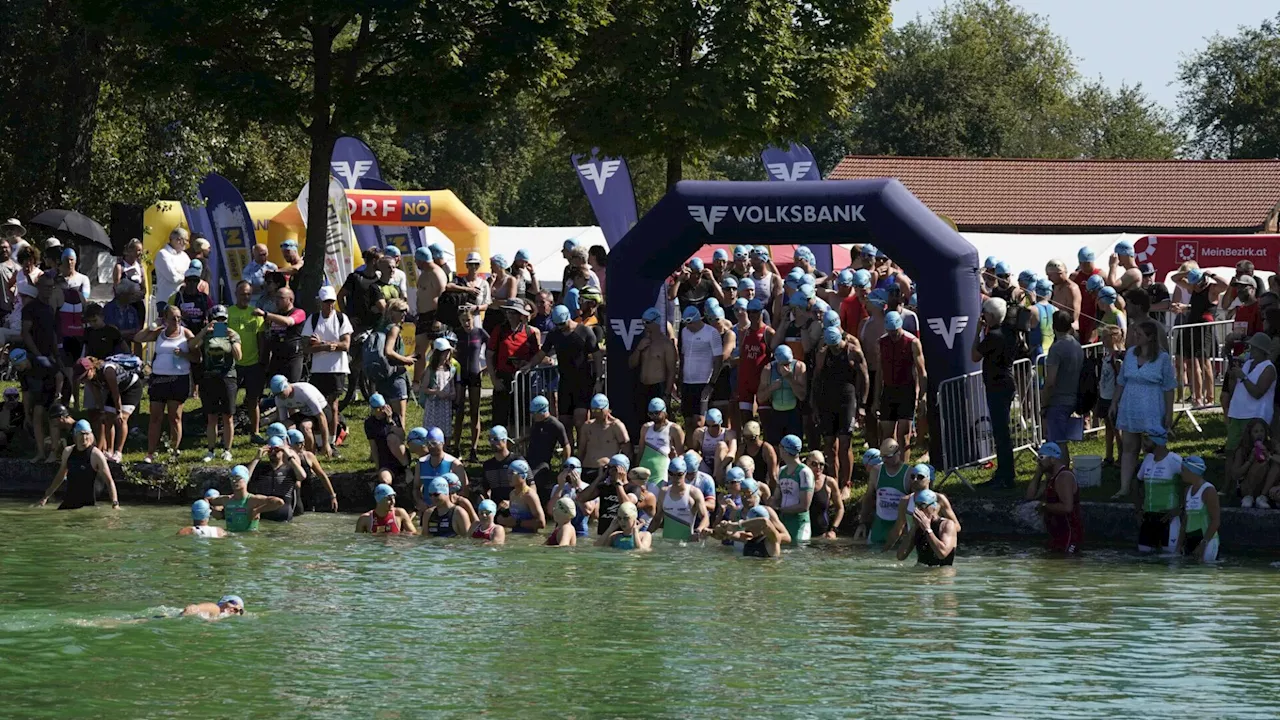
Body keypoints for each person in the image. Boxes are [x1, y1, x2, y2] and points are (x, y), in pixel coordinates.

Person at [1112, 320, 1177, 500]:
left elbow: (1169, 387)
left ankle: (1155, 484)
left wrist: (1169, 413)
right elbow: (1121, 380)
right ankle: (1124, 487)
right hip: (1130, 405)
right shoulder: (1131, 354)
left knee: (1154, 446)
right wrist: (1114, 402)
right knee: (1128, 447)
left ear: (1150, 338)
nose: (1135, 337)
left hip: (1152, 405)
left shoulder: (1162, 359)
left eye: (1139, 334)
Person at [528, 304, 599, 445]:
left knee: (580, 422)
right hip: (565, 383)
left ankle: (582, 456)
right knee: (565, 423)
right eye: (557, 325)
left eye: (562, 324)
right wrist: (529, 365)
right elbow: (542, 353)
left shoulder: (584, 331)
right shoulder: (555, 334)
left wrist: (598, 378)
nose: (560, 327)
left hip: (583, 383)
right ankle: (570, 457)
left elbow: (596, 355)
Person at [136, 305, 197, 464]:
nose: (176, 321)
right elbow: (138, 338)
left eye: (178, 317)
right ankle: (150, 452)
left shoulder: (186, 333)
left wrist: (183, 354)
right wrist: (153, 325)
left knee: (175, 417)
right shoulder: (160, 333)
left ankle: (174, 451)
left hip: (178, 379)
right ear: (165, 319)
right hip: (158, 379)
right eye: (172, 318)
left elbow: (197, 357)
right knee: (155, 417)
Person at [971, 297, 1017, 487]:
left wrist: (976, 332)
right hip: (1006, 383)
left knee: (1001, 433)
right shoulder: (1009, 331)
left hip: (997, 386)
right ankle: (1005, 473)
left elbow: (974, 355)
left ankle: (1005, 475)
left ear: (990, 315)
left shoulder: (994, 336)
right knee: (1002, 431)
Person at [814, 325, 866, 489]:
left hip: (847, 401)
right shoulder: (823, 354)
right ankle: (834, 482)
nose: (834, 350)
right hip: (827, 402)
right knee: (830, 445)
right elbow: (816, 380)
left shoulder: (852, 352)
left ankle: (847, 483)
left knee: (845, 444)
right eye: (832, 347)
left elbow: (865, 378)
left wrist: (862, 404)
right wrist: (814, 405)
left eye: (836, 346)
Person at [1225, 333, 1276, 491]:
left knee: (1252, 452)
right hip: (1237, 413)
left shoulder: (1269, 368)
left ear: (1261, 350)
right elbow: (1236, 390)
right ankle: (1227, 486)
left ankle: (1249, 488)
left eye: (1253, 347)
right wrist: (1233, 377)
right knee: (1231, 451)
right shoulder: (1247, 364)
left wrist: (1243, 377)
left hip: (1255, 416)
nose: (1250, 349)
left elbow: (1257, 392)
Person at [303, 285, 353, 443]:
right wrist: (326, 346)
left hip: (337, 368)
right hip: (318, 369)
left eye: (331, 301)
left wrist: (322, 344)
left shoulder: (341, 318)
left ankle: (332, 440)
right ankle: (319, 439)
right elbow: (306, 348)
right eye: (326, 302)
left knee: (333, 405)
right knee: (317, 405)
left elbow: (345, 345)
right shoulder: (313, 319)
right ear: (320, 302)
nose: (329, 305)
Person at [193, 305, 242, 462]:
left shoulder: (232, 334)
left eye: (223, 320)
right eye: (217, 320)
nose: (220, 323)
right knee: (211, 416)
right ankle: (211, 450)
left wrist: (231, 339)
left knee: (228, 416)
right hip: (209, 377)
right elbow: (192, 345)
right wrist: (205, 329)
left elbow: (239, 356)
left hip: (228, 377)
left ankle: (227, 450)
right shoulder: (206, 335)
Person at [877, 310, 926, 463]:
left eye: (895, 332)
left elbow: (921, 372)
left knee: (904, 435)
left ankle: (903, 469)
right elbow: (879, 371)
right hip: (889, 390)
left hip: (906, 390)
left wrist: (921, 396)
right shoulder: (882, 342)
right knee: (887, 435)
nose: (893, 335)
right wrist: (876, 397)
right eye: (890, 332)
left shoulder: (912, 342)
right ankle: (888, 467)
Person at [36, 420, 118, 510]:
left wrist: (115, 503)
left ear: (91, 435)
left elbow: (109, 481)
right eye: (81, 434)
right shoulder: (68, 452)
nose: (84, 437)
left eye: (87, 434)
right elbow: (60, 476)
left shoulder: (96, 455)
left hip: (89, 505)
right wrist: (46, 497)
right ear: (75, 434)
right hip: (69, 502)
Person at [486, 299, 540, 429]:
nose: (510, 315)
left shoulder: (530, 332)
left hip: (522, 378)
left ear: (520, 315)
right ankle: (502, 446)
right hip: (503, 378)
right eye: (508, 312)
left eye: (514, 312)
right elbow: (489, 355)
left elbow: (536, 356)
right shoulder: (499, 330)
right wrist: (494, 379)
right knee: (500, 418)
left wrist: (526, 363)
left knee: (522, 417)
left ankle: (521, 446)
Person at [1041, 310, 1084, 469]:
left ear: (1054, 326)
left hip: (1058, 400)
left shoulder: (1057, 348)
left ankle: (1063, 473)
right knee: (1060, 440)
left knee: (1058, 441)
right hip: (1073, 396)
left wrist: (1044, 402)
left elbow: (1050, 380)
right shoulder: (1076, 345)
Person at [1025, 442, 1082, 554]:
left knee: (1066, 566)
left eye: (1041, 457)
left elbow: (1067, 507)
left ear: (1053, 459)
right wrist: (1038, 474)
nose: (1038, 461)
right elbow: (1029, 497)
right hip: (1056, 535)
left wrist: (1044, 506)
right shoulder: (1051, 478)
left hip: (1069, 536)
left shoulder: (1063, 477)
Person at [679, 305, 725, 432]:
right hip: (687, 383)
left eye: (691, 323)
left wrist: (711, 384)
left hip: (703, 383)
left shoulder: (711, 333)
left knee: (700, 422)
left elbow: (718, 360)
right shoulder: (684, 332)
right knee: (687, 421)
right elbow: (683, 357)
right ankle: (690, 450)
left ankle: (701, 449)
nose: (689, 327)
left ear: (698, 319)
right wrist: (680, 380)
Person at [1135, 430, 1182, 553]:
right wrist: (1138, 510)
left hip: (1168, 519)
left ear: (1158, 441)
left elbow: (1192, 482)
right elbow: (1138, 482)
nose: (1143, 443)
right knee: (1143, 559)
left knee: (1171, 559)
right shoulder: (1147, 459)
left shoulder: (1174, 460)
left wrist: (1180, 508)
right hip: (1148, 518)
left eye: (1147, 439)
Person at [452, 305, 490, 460]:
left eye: (468, 320)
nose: (466, 323)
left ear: (473, 319)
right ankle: (456, 448)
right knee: (459, 412)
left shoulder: (479, 332)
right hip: (460, 376)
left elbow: (493, 347)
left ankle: (473, 450)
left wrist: (488, 365)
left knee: (475, 411)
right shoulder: (457, 333)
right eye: (463, 321)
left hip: (475, 373)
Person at [857, 440, 907, 546]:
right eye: (882, 456)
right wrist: (862, 523)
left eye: (888, 456)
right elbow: (868, 497)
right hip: (878, 529)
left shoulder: (909, 473)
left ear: (898, 453)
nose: (884, 460)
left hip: (900, 531)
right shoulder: (876, 471)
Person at [206, 465, 284, 532]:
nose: (234, 481)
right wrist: (213, 511)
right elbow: (206, 499)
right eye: (231, 478)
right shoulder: (226, 500)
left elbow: (279, 502)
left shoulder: (252, 500)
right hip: (231, 538)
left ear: (245, 480)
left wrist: (257, 510)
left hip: (249, 539)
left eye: (237, 478)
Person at [246, 436, 307, 522]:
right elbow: (245, 479)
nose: (273, 452)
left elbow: (302, 476)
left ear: (282, 452)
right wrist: (257, 458)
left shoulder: (289, 469)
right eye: (270, 450)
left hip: (284, 515)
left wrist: (289, 456)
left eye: (277, 450)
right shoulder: (260, 468)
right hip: (263, 514)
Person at [648, 457, 710, 542]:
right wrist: (646, 534)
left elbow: (705, 517)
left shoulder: (694, 493)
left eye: (679, 474)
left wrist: (698, 531)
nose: (675, 477)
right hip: (667, 544)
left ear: (685, 473)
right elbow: (657, 519)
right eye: (671, 474)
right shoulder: (663, 492)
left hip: (686, 546)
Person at [524, 395, 571, 505]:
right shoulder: (537, 422)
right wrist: (520, 440)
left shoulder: (556, 425)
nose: (532, 416)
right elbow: (532, 436)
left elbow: (566, 446)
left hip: (542, 463)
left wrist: (564, 466)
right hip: (529, 459)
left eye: (534, 413)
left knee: (530, 479)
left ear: (542, 411)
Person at [756, 345, 807, 445]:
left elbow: (802, 396)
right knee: (775, 448)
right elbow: (760, 398)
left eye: (788, 364)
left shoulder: (799, 367)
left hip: (794, 413)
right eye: (783, 364)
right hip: (776, 413)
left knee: (793, 447)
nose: (786, 367)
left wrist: (790, 379)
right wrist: (771, 388)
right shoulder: (768, 369)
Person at [270, 375, 332, 456]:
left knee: (305, 426)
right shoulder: (279, 398)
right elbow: (283, 422)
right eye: (277, 395)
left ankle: (310, 456)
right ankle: (293, 455)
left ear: (287, 386)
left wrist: (326, 444)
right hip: (305, 413)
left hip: (323, 411)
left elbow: (321, 417)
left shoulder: (303, 391)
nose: (280, 397)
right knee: (286, 426)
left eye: (281, 393)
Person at [896, 489, 957, 566]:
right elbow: (900, 556)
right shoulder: (918, 526)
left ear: (933, 507)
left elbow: (942, 554)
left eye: (923, 505)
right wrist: (913, 529)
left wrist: (927, 529)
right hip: (921, 573)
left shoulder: (947, 525)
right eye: (917, 506)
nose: (919, 510)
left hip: (942, 573)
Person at [577, 453, 632, 535]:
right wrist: (599, 478)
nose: (610, 471)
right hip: (603, 535)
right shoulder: (604, 487)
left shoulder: (632, 488)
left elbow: (627, 507)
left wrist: (618, 483)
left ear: (623, 470)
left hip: (621, 535)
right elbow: (581, 498)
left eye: (614, 468)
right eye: (608, 468)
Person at [772, 434, 814, 543]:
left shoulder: (804, 472)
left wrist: (781, 510)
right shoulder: (782, 470)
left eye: (780, 447)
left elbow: (804, 506)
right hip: (782, 521)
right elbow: (776, 497)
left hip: (799, 523)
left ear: (785, 450)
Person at [1178, 456, 1220, 562]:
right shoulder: (1187, 490)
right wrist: (1179, 544)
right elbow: (1185, 520)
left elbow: (1216, 521)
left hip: (1207, 541)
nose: (1181, 473)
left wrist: (1203, 544)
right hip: (1190, 539)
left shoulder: (1209, 490)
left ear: (1192, 471)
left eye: (1183, 470)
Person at [286, 428, 339, 513]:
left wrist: (332, 495)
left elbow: (322, 475)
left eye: (303, 442)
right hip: (290, 498)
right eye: (299, 443)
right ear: (289, 444)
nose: (302, 445)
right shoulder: (284, 458)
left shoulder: (308, 456)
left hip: (307, 498)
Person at [364, 394, 408, 486]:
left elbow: (402, 437)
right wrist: (378, 468)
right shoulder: (369, 423)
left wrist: (390, 421)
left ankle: (406, 469)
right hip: (385, 461)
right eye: (378, 409)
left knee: (391, 438)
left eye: (382, 408)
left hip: (400, 456)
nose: (381, 411)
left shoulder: (394, 417)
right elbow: (373, 446)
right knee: (385, 481)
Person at [498, 459, 546, 534]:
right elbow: (513, 520)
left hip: (529, 539)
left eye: (512, 473)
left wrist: (518, 523)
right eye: (508, 473)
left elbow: (541, 523)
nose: (508, 476)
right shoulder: (512, 494)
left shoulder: (530, 495)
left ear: (523, 476)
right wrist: (503, 519)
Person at [804, 451, 844, 539]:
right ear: (807, 464)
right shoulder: (799, 480)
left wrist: (833, 530)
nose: (818, 468)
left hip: (822, 535)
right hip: (802, 533)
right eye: (814, 464)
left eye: (821, 464)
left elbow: (840, 508)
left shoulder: (830, 483)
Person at [689, 407, 734, 480]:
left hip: (722, 466)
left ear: (721, 423)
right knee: (690, 453)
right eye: (708, 425)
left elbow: (732, 454)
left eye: (715, 426)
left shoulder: (729, 434)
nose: (711, 429)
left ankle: (716, 478)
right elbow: (694, 451)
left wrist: (720, 468)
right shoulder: (700, 433)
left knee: (721, 445)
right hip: (706, 464)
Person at [153, 228, 190, 314]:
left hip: (183, 300)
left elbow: (191, 273)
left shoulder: (184, 256)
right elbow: (173, 278)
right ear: (178, 240)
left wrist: (182, 276)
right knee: (166, 327)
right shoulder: (163, 254)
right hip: (166, 300)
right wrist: (186, 277)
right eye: (186, 240)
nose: (187, 243)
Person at [181, 595, 245, 621]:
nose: (235, 608)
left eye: (240, 609)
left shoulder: (223, 616)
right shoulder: (216, 609)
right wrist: (195, 607)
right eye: (234, 603)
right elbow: (195, 608)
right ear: (223, 602)